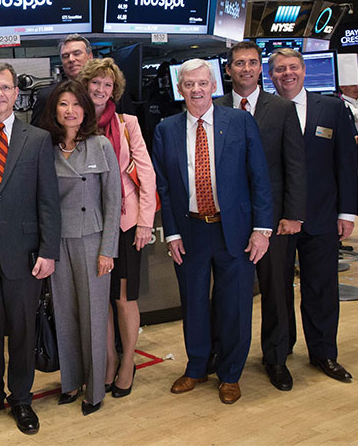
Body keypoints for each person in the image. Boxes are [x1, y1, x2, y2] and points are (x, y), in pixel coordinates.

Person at [153, 59, 272, 405]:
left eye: (202, 83)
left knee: (235, 304)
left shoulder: (239, 122)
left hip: (233, 229)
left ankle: (231, 374)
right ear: (180, 89)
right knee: (193, 303)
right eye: (189, 84)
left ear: (214, 85)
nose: (196, 90)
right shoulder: (166, 129)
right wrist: (172, 234)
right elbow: (165, 188)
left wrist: (262, 229)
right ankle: (196, 367)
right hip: (190, 230)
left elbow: (259, 178)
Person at [0, 62, 61, 434]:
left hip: (26, 257)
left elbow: (48, 202)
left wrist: (48, 251)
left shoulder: (36, 140)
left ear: (15, 93)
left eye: (5, 87)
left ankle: (22, 398)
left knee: (22, 331)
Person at [214, 41, 306, 391]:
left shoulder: (281, 109)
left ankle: (277, 358)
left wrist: (294, 213)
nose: (246, 69)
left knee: (277, 290)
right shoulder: (215, 106)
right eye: (239, 63)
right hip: (228, 221)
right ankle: (222, 354)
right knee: (228, 292)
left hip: (275, 219)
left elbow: (295, 164)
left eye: (252, 63)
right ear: (228, 69)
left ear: (259, 69)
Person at [268, 47, 357, 383]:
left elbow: (346, 163)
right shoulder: (264, 111)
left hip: (322, 216)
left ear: (304, 71)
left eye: (292, 67)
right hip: (278, 220)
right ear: (271, 75)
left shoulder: (332, 109)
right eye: (279, 69)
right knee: (277, 290)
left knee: (321, 288)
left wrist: (347, 212)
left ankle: (324, 353)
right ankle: (278, 353)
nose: (286, 74)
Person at [38, 80, 121, 415]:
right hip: (58, 241)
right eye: (62, 104)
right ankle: (70, 382)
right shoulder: (46, 147)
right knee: (65, 314)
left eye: (76, 104)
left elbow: (113, 200)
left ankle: (95, 390)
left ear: (85, 109)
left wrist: (108, 250)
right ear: (54, 110)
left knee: (94, 316)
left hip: (92, 239)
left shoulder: (100, 145)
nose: (69, 110)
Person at [79, 58, 157, 399]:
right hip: (90, 223)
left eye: (107, 85)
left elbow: (146, 173)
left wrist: (145, 222)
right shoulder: (75, 120)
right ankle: (109, 359)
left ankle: (128, 363)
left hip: (125, 223)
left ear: (115, 90)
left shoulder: (128, 124)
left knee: (124, 297)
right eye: (95, 83)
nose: (100, 89)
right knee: (102, 299)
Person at [30, 34, 93, 125]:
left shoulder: (104, 93)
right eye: (65, 56)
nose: (71, 59)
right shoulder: (47, 97)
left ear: (90, 56)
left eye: (77, 53)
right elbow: (37, 135)